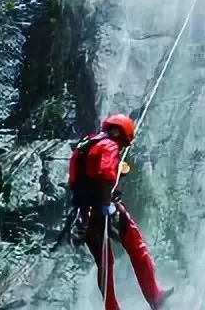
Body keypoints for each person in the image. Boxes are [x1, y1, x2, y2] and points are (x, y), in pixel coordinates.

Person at [67, 114, 173, 310]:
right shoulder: (109, 145)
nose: (122, 148)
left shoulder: (85, 144)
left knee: (104, 263)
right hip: (104, 208)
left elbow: (74, 183)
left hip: (85, 214)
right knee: (136, 247)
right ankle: (154, 297)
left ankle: (112, 307)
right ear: (119, 134)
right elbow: (106, 175)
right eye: (123, 143)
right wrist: (107, 204)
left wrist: (83, 217)